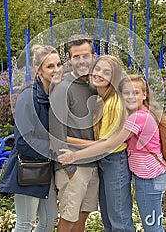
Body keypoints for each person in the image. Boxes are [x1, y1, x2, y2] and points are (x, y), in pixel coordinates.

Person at [58, 74, 166, 232]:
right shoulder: (136, 113)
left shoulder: (138, 117)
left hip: (150, 178)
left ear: (145, 95)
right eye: (127, 93)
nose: (131, 96)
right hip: (145, 175)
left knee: (151, 227)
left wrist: (74, 151)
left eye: (136, 92)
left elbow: (110, 144)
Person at [0, 44, 62, 232]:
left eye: (59, 64)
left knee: (49, 221)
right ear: (38, 70)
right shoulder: (28, 97)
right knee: (25, 224)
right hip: (29, 169)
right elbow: (22, 141)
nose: (56, 70)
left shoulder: (54, 95)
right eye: (50, 66)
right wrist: (52, 145)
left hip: (46, 167)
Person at [49, 35, 99, 232]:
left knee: (82, 217)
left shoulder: (95, 85)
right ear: (70, 59)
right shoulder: (62, 88)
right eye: (76, 57)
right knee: (68, 219)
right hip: (73, 167)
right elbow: (56, 133)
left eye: (85, 56)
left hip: (92, 164)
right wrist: (69, 169)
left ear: (93, 56)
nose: (81, 61)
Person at [83, 55, 135, 232]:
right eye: (97, 69)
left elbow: (106, 143)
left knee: (119, 218)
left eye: (106, 72)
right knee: (108, 216)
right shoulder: (100, 99)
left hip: (114, 160)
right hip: (104, 160)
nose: (99, 74)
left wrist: (71, 146)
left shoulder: (114, 102)